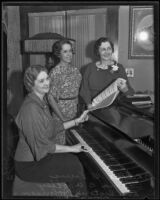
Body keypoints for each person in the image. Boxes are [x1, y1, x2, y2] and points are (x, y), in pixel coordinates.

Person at [14, 65, 90, 197]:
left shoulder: (40, 101)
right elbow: (42, 146)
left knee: (73, 162)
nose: (47, 83)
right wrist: (72, 148)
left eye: (47, 78)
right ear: (31, 84)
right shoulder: (31, 108)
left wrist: (76, 121)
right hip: (29, 165)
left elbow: (52, 128)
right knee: (75, 167)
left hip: (40, 156)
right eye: (41, 81)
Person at [80, 37, 135, 125]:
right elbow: (84, 90)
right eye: (103, 49)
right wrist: (89, 105)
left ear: (112, 50)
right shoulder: (90, 68)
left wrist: (124, 89)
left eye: (109, 48)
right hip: (93, 109)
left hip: (113, 112)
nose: (107, 52)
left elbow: (130, 93)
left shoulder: (119, 68)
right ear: (98, 52)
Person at [47, 39, 82, 144]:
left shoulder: (75, 70)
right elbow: (50, 98)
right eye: (65, 51)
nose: (69, 54)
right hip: (60, 113)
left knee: (75, 142)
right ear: (58, 54)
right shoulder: (55, 72)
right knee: (62, 143)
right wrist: (62, 117)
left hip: (75, 112)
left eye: (70, 51)